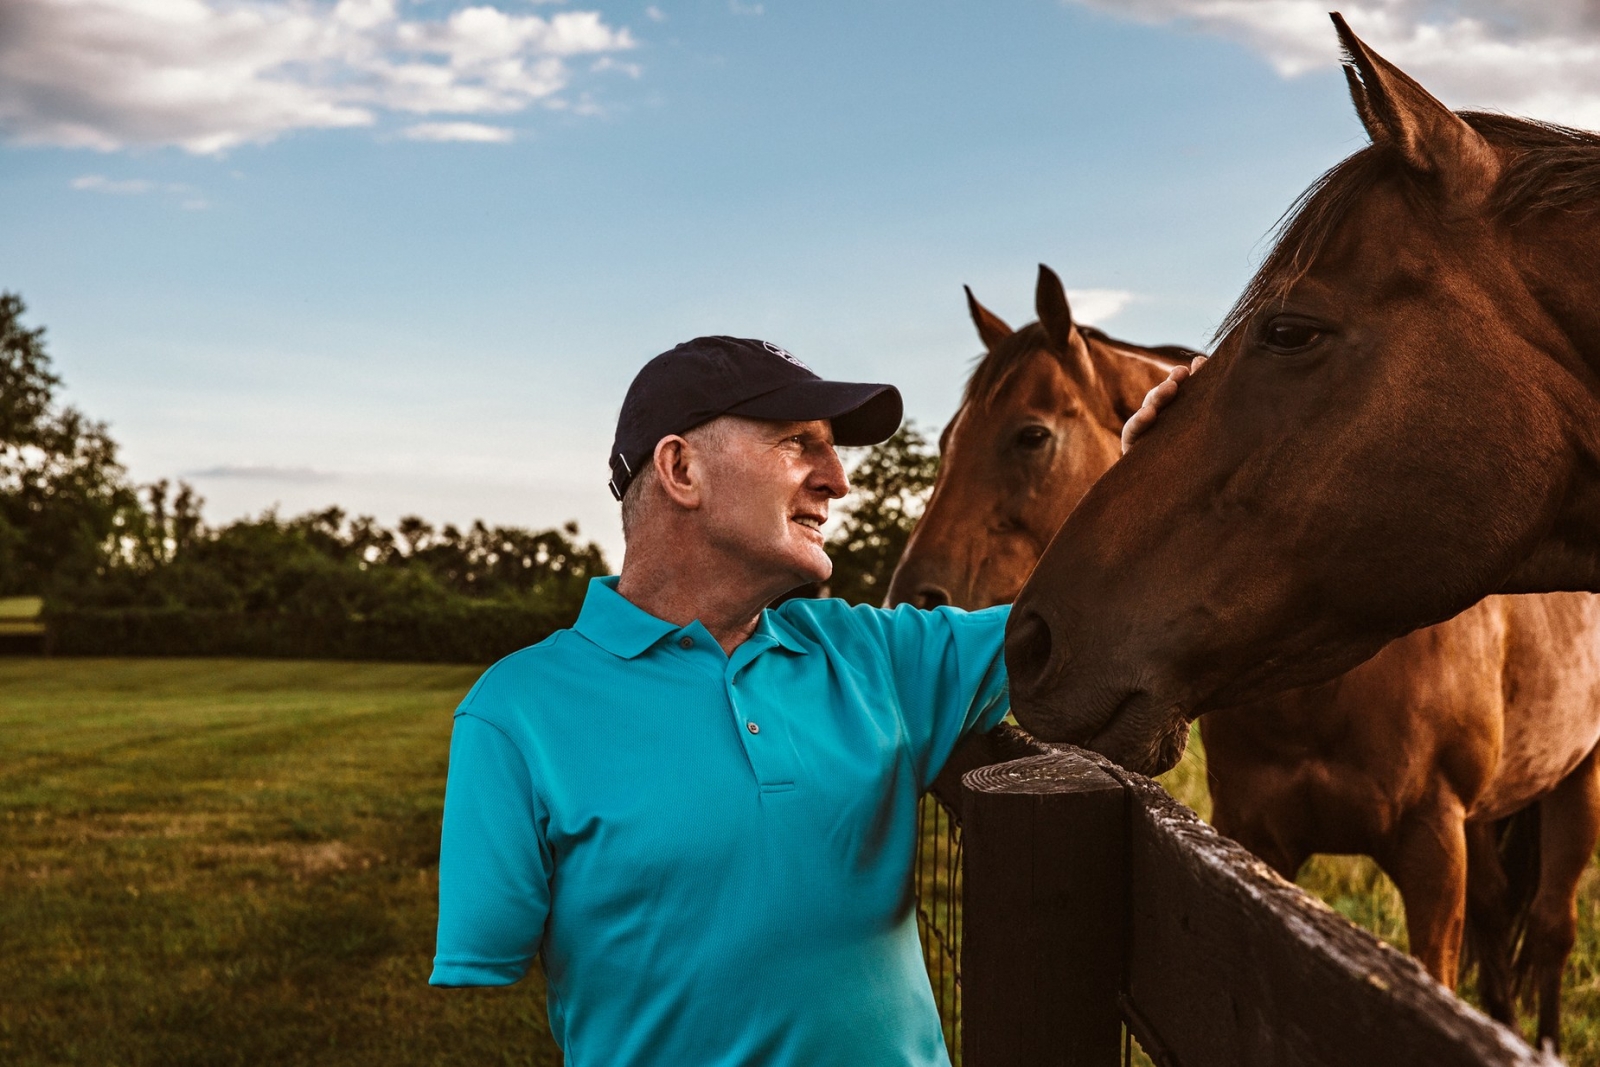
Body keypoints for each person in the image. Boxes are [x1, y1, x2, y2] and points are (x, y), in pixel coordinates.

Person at [430, 336, 1012, 1067]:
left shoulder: (880, 655)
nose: (836, 480)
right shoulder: (513, 713)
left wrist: (1164, 464)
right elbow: (492, 948)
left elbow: (1085, 611)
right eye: (799, 443)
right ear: (681, 468)